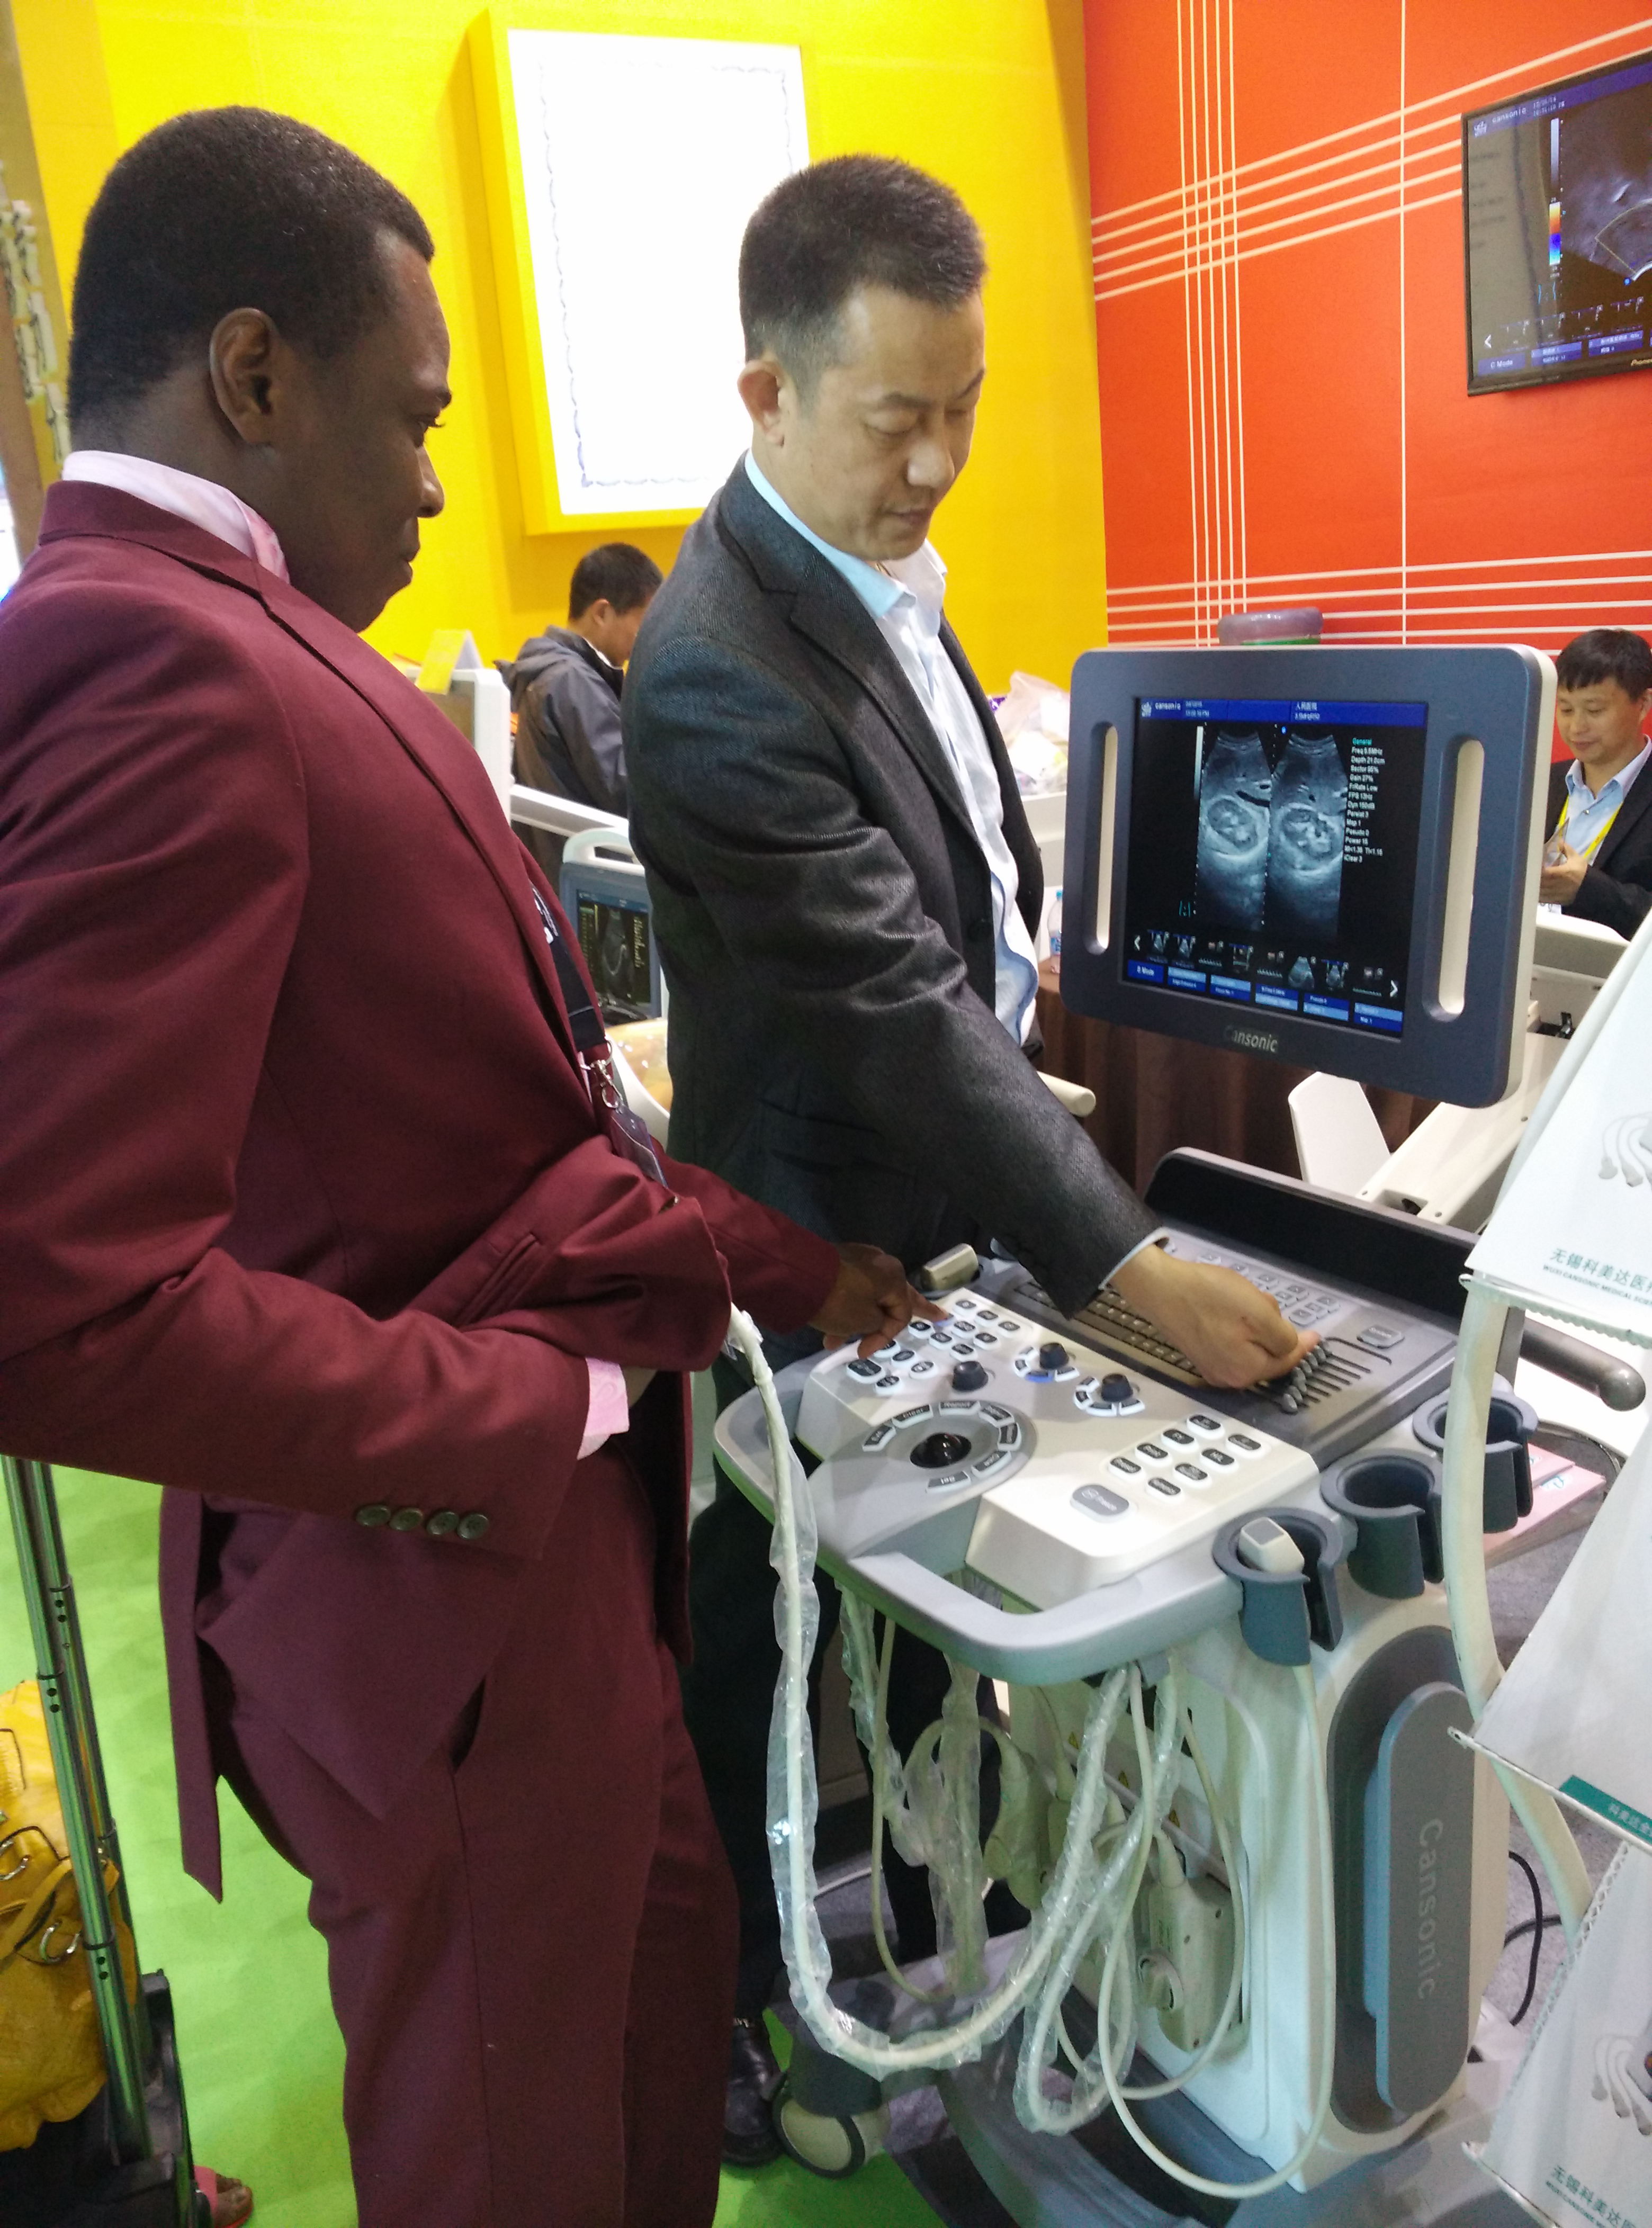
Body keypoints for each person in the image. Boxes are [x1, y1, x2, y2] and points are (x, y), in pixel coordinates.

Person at [0, 110, 929, 2228]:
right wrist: (519, 1410)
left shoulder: (255, 637)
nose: (435, 481)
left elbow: (519, 1135)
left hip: (546, 1584)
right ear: (255, 373)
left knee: (645, 2028)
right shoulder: (154, 654)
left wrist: (787, 1267)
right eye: (415, 418)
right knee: (514, 2149)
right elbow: (59, 1298)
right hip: (447, 1590)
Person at [624, 154, 1315, 2161]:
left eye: (964, 407)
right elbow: (884, 1000)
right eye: (891, 419)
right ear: (764, 393)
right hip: (810, 1230)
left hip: (939, 1204)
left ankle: (951, 1927)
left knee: (934, 1605)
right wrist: (1120, 1261)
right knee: (768, 1626)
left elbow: (957, 905)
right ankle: (741, 1993)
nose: (934, 463)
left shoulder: (870, 569)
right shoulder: (715, 660)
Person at [505, 541, 663, 879]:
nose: (650, 638)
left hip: (559, 868)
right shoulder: (572, 682)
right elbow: (629, 790)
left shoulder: (550, 671)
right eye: (645, 623)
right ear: (602, 613)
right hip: (591, 875)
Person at [1539, 627, 1652, 936]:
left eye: (1594, 710)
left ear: (1643, 704)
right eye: (1566, 709)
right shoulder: (1540, 782)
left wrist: (1587, 890)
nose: (1577, 726)